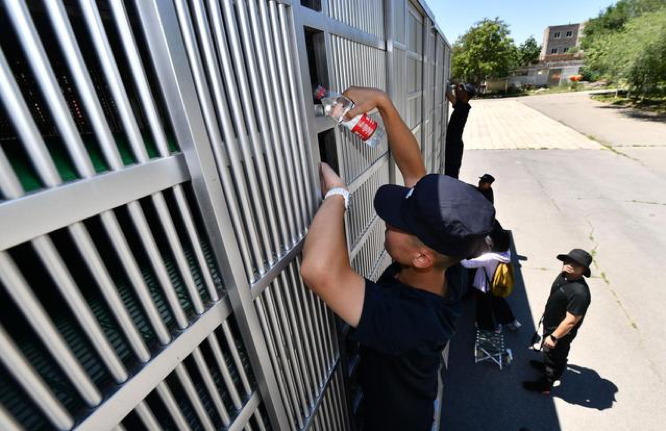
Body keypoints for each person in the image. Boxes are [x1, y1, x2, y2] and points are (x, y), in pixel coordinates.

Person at [300, 86, 495, 431]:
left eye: (398, 223)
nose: (388, 221)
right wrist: (383, 103)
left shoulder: (407, 320)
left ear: (422, 256)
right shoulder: (446, 268)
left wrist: (337, 196)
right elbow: (414, 173)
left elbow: (319, 271)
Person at [523, 249, 593, 394]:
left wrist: (554, 336)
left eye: (576, 263)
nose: (570, 264)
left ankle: (546, 385)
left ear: (583, 270)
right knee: (550, 354)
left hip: (561, 332)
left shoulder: (580, 293)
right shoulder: (564, 276)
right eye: (568, 260)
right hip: (551, 325)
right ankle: (547, 366)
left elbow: (570, 321)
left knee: (556, 356)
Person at [461, 225, 520, 331]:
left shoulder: (489, 257)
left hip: (484, 286)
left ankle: (487, 326)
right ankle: (511, 321)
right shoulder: (507, 253)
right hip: (497, 283)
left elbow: (467, 264)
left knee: (484, 308)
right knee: (499, 302)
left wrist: (460, 253)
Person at [444, 82, 476, 179]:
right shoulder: (463, 104)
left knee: (451, 175)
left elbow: (449, 94)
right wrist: (458, 85)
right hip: (454, 145)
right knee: (450, 173)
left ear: (465, 94)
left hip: (454, 147)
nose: (458, 91)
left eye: (462, 90)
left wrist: (450, 84)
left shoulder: (462, 107)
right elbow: (457, 93)